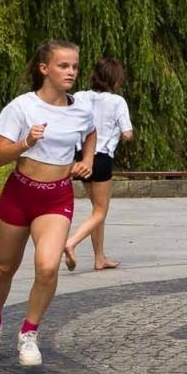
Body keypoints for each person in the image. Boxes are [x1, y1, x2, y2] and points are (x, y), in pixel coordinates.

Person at [0, 41, 98, 367]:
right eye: (63, 66)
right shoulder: (22, 107)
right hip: (20, 194)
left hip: (56, 197)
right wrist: (26, 141)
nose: (71, 72)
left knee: (47, 267)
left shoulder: (81, 108)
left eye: (74, 66)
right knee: (4, 268)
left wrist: (87, 160)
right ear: (45, 69)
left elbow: (91, 132)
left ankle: (29, 333)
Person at [63, 57, 133, 273]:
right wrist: (121, 134)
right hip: (102, 158)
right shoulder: (117, 101)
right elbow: (127, 133)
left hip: (81, 156)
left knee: (96, 210)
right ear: (114, 78)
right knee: (101, 211)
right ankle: (71, 243)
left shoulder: (79, 96)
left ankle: (99, 258)